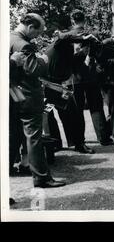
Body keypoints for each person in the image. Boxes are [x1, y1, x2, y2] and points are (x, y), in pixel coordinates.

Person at [9, 13, 65, 188]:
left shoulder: (8, 37)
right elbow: (34, 70)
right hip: (28, 96)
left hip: (13, 94)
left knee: (14, 135)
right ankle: (41, 177)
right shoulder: (24, 45)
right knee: (34, 137)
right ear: (30, 27)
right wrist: (43, 60)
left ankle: (11, 168)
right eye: (38, 32)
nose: (38, 36)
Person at [44, 25, 98, 153]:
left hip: (58, 85)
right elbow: (63, 36)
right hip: (46, 84)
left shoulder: (68, 49)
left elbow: (72, 63)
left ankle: (78, 144)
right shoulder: (59, 43)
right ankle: (55, 144)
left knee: (73, 114)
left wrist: (84, 52)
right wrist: (82, 37)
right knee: (49, 115)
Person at [70, 10, 112, 146]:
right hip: (91, 75)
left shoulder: (68, 36)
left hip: (75, 77)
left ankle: (79, 141)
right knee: (96, 107)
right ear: (85, 20)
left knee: (77, 109)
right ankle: (103, 138)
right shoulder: (92, 36)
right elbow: (101, 54)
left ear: (72, 21)